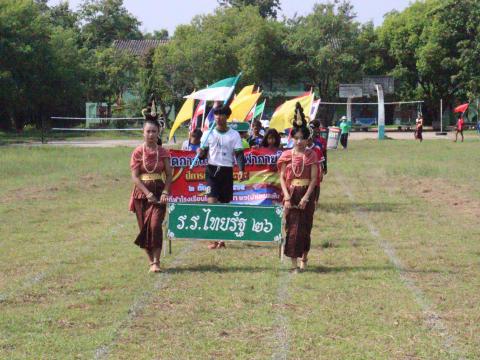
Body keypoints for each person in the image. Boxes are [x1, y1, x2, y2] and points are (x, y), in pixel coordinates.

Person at [130, 100, 172, 273]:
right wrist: (147, 194)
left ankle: (157, 261)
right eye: (148, 131)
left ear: (158, 132)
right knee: (145, 229)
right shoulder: (138, 152)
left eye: (154, 131)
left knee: (155, 226)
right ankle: (151, 263)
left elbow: (169, 175)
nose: (151, 134)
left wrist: (165, 191)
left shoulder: (163, 152)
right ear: (143, 133)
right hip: (142, 195)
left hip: (159, 192)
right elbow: (135, 176)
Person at [198, 105, 246, 249]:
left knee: (224, 206)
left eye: (221, 114)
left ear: (227, 116)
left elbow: (239, 154)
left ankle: (222, 239)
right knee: (212, 205)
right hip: (211, 171)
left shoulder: (234, 135)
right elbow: (202, 156)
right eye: (216, 114)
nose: (218, 117)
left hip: (227, 171)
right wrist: (200, 152)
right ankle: (213, 239)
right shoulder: (208, 133)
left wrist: (242, 169)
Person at [277, 103, 318, 273]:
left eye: (302, 138)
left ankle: (304, 257)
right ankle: (293, 264)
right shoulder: (286, 155)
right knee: (291, 228)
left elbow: (314, 178)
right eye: (296, 138)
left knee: (305, 227)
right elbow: (281, 177)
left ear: (308, 139)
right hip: (291, 193)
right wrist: (286, 197)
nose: (299, 141)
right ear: (291, 138)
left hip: (306, 193)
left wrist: (306, 197)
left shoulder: (311, 154)